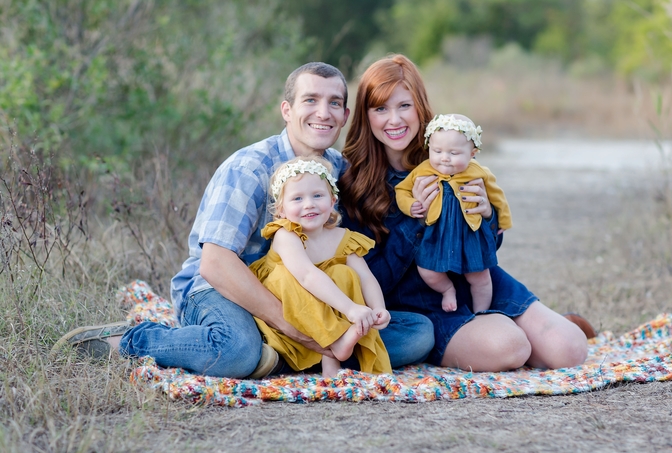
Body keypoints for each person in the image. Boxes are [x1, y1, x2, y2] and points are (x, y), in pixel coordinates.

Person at [52, 62, 434, 378]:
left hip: (303, 296)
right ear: (287, 110)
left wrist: (460, 199)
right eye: (310, 100)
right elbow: (216, 265)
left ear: (345, 116)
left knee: (417, 333)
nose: (323, 112)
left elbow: (382, 209)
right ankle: (135, 340)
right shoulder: (250, 168)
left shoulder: (337, 169)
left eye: (335, 102)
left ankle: (279, 356)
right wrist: (294, 325)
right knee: (235, 351)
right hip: (221, 291)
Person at [339, 54, 590, 372]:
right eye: (380, 109)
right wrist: (415, 222)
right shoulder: (352, 183)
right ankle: (507, 333)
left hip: (479, 281)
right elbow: (369, 281)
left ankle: (535, 326)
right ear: (365, 114)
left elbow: (489, 247)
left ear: (420, 105)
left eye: (404, 105)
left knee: (570, 351)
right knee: (509, 347)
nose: (394, 120)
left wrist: (486, 219)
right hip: (425, 304)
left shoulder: (449, 154)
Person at [250, 155, 391, 378]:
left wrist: (378, 308)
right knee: (286, 277)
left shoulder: (342, 237)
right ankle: (337, 342)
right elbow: (307, 276)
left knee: (343, 273)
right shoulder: (286, 235)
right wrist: (350, 309)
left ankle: (331, 363)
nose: (309, 204)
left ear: (332, 200)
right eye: (297, 198)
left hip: (326, 309)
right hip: (289, 314)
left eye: (317, 195)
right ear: (281, 210)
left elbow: (365, 277)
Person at [394, 113, 512, 314]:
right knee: (426, 269)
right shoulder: (423, 170)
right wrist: (410, 204)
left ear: (472, 153)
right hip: (436, 234)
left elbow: (497, 196)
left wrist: (501, 221)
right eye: (437, 150)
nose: (444, 158)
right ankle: (447, 289)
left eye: (454, 153)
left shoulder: (478, 173)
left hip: (469, 234)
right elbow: (401, 190)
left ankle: (481, 313)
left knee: (480, 277)